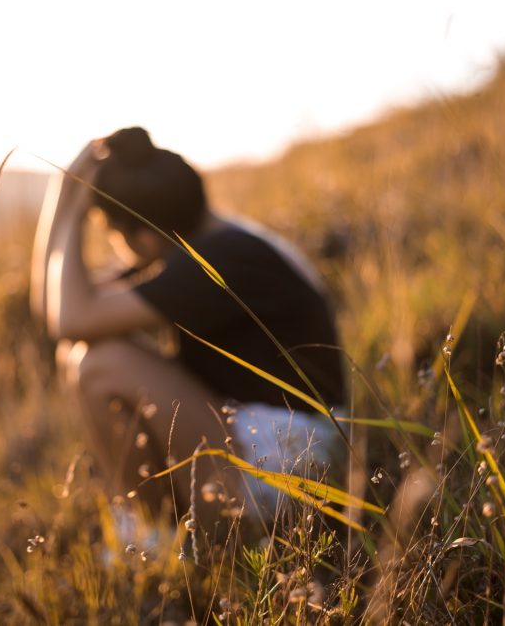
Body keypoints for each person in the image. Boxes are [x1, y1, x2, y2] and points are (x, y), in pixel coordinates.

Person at [29, 127, 346, 530]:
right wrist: (63, 192)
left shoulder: (219, 260)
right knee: (81, 354)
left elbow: (69, 321)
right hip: (281, 437)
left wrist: (70, 205)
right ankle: (162, 523)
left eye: (110, 233)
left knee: (98, 363)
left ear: (142, 237)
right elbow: (53, 307)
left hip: (297, 459)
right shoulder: (206, 241)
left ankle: (153, 536)